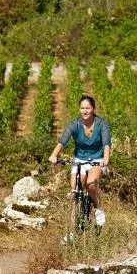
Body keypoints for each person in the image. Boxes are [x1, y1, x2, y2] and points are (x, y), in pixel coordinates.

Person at [49, 95, 111, 227]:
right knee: (75, 189)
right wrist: (54, 155)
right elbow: (62, 141)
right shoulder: (74, 124)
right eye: (82, 108)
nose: (85, 111)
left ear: (93, 108)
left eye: (88, 108)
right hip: (79, 160)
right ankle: (72, 228)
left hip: (97, 159)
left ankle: (98, 210)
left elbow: (106, 143)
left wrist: (106, 159)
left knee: (91, 185)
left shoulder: (102, 124)